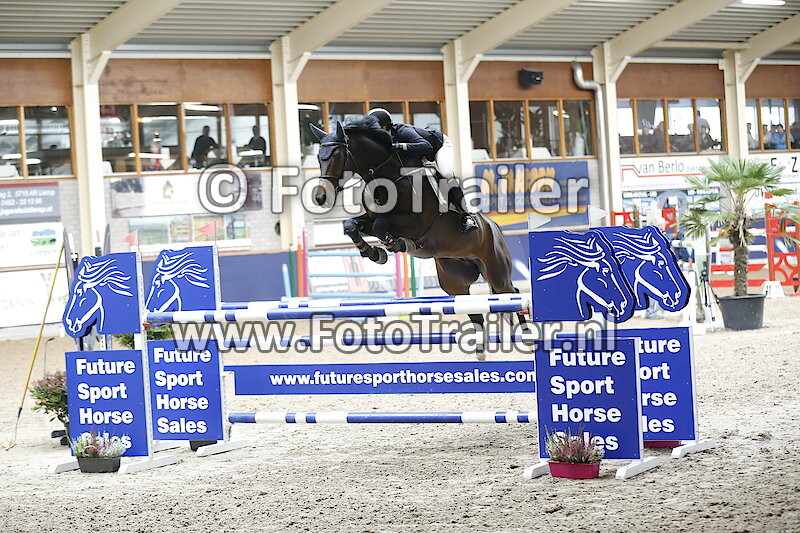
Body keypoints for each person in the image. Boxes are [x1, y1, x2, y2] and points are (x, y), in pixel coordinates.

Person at [366, 108, 478, 233]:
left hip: (438, 146)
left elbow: (426, 147)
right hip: (419, 155)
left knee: (446, 173)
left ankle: (466, 215)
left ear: (386, 127)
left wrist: (400, 146)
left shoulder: (403, 131)